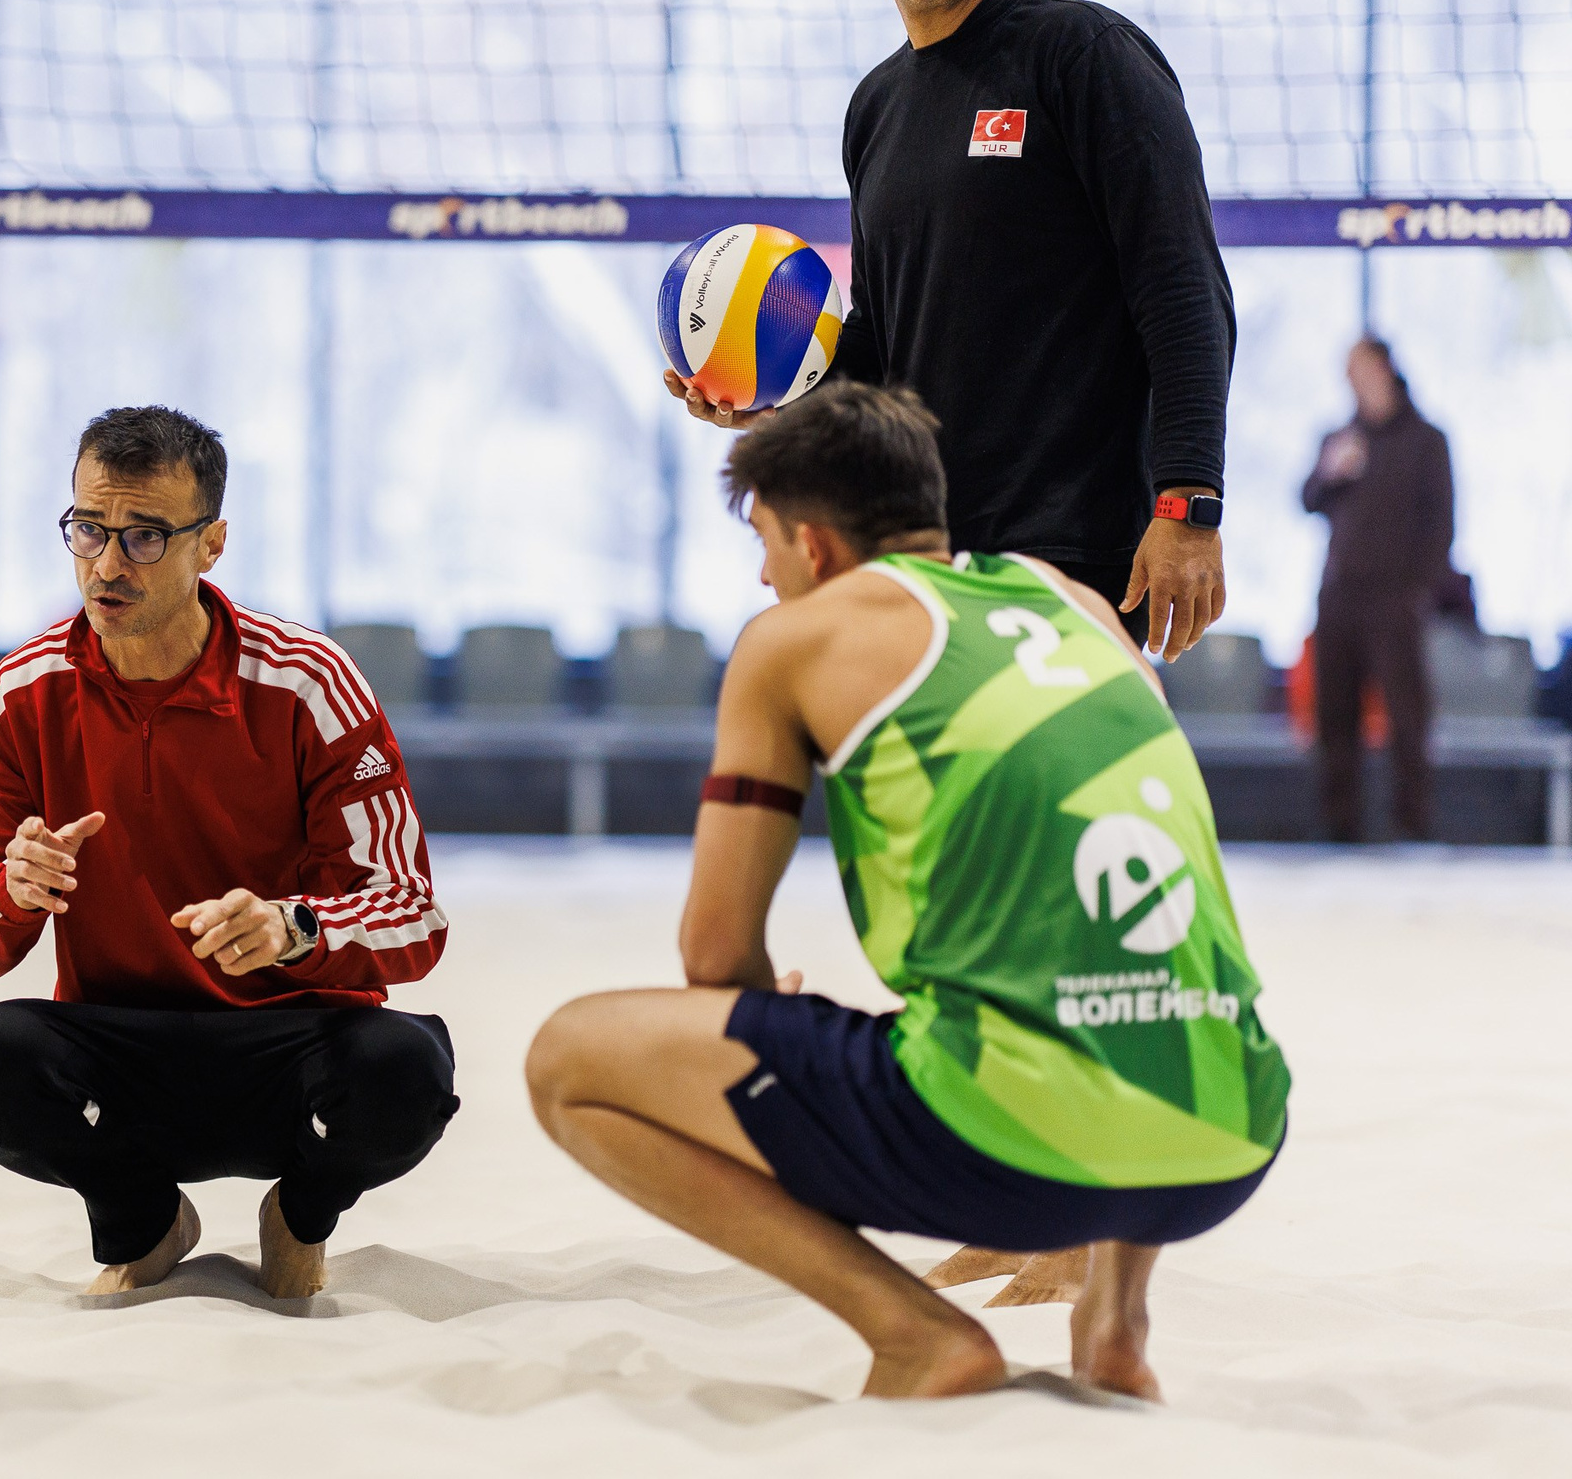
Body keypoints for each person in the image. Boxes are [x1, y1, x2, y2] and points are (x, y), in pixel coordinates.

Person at [526, 383, 1288, 1401]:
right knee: (1112, 939)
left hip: (1018, 1148)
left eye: (765, 545)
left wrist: (753, 1012)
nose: (762, 575)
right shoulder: (1079, 606)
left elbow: (713, 956)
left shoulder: (792, 639)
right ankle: (1115, 1321)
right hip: (1232, 1133)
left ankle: (915, 1333)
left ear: (815, 547)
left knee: (568, 1060)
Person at [667, 0, 1233, 660]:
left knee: (1056, 804)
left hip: (1073, 558)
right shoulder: (875, 108)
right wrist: (778, 394)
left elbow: (1184, 294)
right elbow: (888, 347)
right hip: (921, 557)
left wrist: (1189, 505)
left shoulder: (1083, 56)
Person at [0, 406, 456, 1300]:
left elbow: (413, 913)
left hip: (289, 1046)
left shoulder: (305, 680)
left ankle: (301, 1214)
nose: (105, 564)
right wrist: (13, 892)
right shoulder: (25, 691)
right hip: (124, 1048)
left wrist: (293, 928)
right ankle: (146, 1221)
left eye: (143, 537)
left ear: (210, 544)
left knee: (406, 1071)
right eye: (88, 529)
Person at [1301, 336, 1456, 842]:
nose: (1354, 378)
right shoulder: (1342, 437)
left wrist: (1415, 588)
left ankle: (1413, 826)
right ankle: (1339, 825)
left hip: (1396, 600)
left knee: (1408, 719)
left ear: (1386, 368)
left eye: (1361, 367)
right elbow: (1306, 500)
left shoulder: (1427, 440)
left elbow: (1441, 525)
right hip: (1340, 595)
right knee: (1335, 717)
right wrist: (1331, 471)